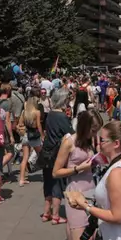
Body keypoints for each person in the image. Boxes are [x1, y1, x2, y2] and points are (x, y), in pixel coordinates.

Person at [49, 110, 103, 240]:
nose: (95, 133)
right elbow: (56, 172)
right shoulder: (69, 142)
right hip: (75, 196)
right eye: (93, 129)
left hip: (91, 194)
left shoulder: (89, 142)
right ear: (84, 126)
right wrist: (79, 168)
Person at [41, 88, 73, 224]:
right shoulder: (62, 117)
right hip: (58, 152)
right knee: (57, 183)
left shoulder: (50, 114)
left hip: (47, 151)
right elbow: (70, 133)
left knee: (48, 181)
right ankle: (55, 215)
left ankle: (46, 212)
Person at [17, 94, 44, 186]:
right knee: (42, 155)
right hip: (34, 136)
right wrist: (42, 135)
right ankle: (47, 174)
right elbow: (38, 125)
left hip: (26, 135)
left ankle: (21, 179)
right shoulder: (37, 112)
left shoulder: (24, 112)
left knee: (24, 158)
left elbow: (20, 124)